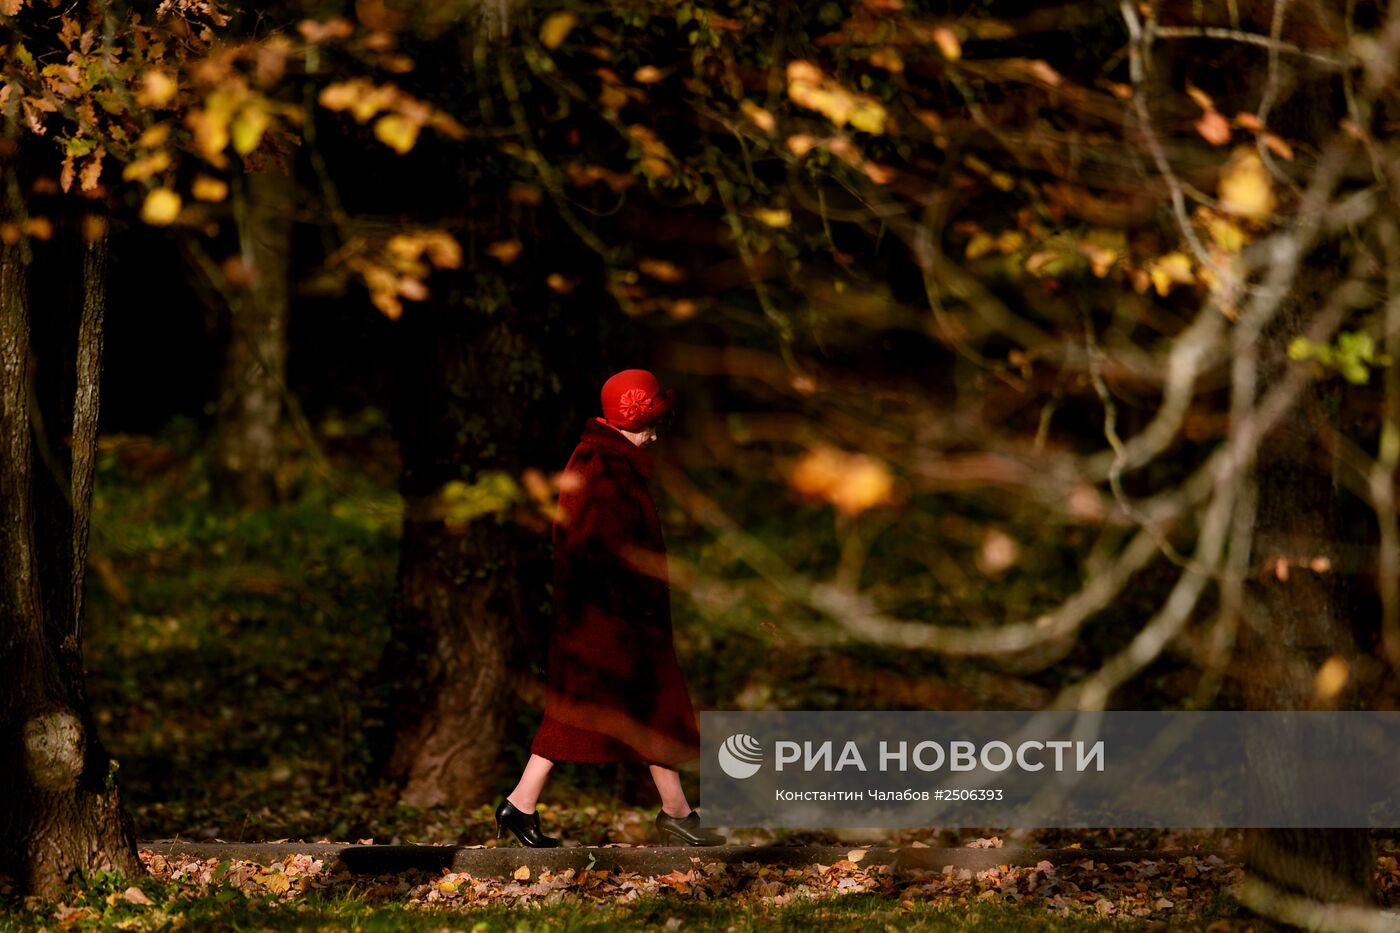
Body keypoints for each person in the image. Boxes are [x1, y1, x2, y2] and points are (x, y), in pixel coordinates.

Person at [494, 369, 725, 848]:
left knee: (650, 708)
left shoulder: (611, 460)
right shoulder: (604, 466)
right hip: (609, 621)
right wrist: (625, 611)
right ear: (631, 417)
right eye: (651, 421)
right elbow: (593, 547)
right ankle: (521, 802)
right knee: (586, 707)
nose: (657, 432)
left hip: (621, 618)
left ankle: (675, 811)